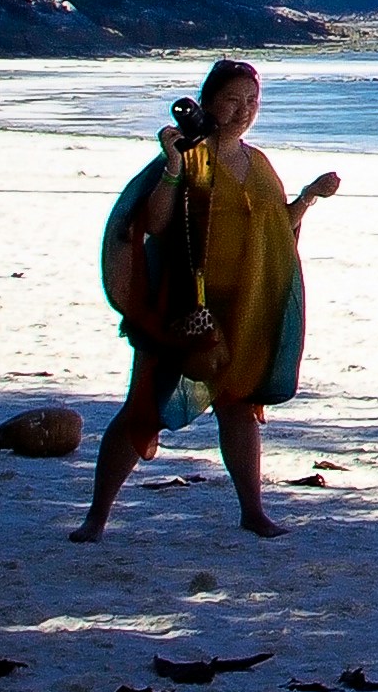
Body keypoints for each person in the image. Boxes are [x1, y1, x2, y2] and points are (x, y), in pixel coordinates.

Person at [76, 59, 339, 540]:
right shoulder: (189, 156)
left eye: (253, 101)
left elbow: (273, 229)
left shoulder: (257, 163)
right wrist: (174, 167)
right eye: (233, 100)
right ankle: (97, 516)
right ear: (209, 101)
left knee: (238, 405)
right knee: (145, 408)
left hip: (242, 308)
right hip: (185, 309)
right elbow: (153, 224)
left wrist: (308, 197)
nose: (244, 110)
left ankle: (252, 512)